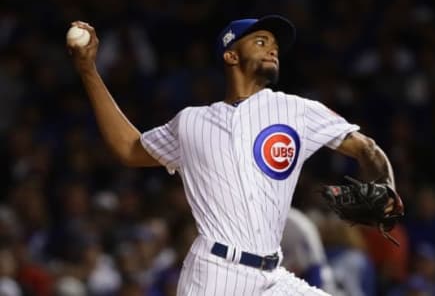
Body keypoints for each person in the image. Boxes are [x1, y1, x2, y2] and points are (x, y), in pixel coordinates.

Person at [68, 15, 396, 296]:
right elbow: (128, 148)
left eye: (276, 45)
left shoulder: (297, 110)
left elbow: (366, 148)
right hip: (216, 274)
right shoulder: (191, 122)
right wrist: (88, 71)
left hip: (272, 275)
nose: (273, 48)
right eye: (261, 41)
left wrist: (385, 189)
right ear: (231, 55)